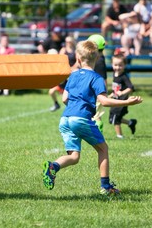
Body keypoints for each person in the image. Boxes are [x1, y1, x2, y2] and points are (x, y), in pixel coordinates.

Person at [42, 40, 143, 196]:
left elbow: (64, 99)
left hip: (65, 119)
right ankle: (106, 187)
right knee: (103, 149)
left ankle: (53, 167)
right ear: (96, 59)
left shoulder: (73, 75)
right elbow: (103, 101)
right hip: (80, 119)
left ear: (78, 59)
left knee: (74, 156)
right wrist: (126, 101)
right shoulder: (96, 78)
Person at [108, 54, 138, 138]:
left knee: (115, 118)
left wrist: (122, 93)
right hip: (115, 99)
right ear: (112, 64)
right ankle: (130, 123)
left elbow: (130, 88)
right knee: (112, 119)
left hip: (122, 101)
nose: (117, 67)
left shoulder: (124, 76)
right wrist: (111, 95)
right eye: (115, 65)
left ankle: (119, 136)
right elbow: (116, 88)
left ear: (124, 65)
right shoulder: (114, 74)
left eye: (120, 65)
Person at [49, 36, 77, 112]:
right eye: (66, 41)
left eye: (69, 41)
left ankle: (72, 108)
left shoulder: (75, 51)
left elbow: (77, 63)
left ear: (72, 42)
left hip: (72, 74)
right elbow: (60, 61)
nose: (67, 43)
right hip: (64, 74)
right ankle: (56, 104)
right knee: (51, 91)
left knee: (70, 95)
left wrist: (72, 69)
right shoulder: (63, 50)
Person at [88, 34, 107, 133]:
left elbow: (103, 79)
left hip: (96, 91)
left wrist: (104, 92)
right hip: (95, 90)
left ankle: (97, 133)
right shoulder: (100, 59)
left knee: (95, 116)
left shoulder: (98, 61)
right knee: (95, 114)